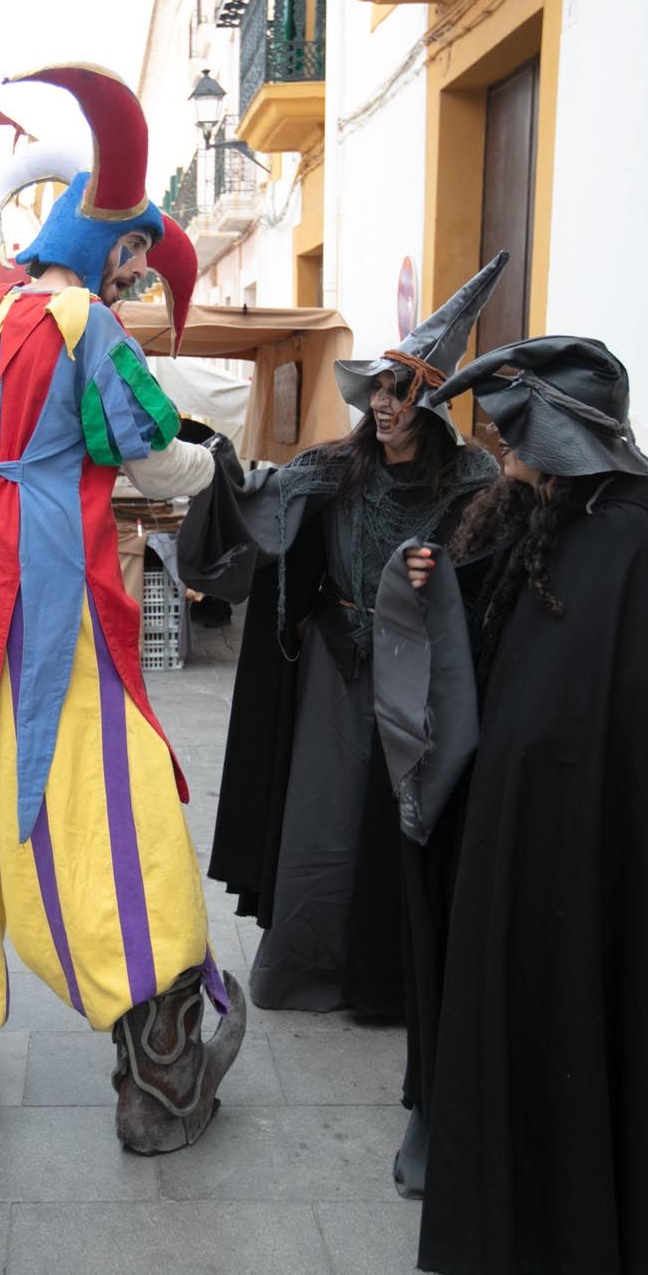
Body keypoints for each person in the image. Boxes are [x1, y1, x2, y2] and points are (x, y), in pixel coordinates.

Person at [0, 65, 245, 1153]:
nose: (138, 273)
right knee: (106, 797)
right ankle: (160, 1081)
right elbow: (150, 453)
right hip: (53, 583)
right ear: (106, 244)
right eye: (134, 252)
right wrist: (228, 470)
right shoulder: (87, 324)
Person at [410, 336, 648, 1272]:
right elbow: (505, 625)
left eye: (520, 434)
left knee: (587, 991)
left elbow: (629, 719)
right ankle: (535, 1183)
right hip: (530, 818)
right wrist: (436, 579)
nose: (506, 451)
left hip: (585, 830)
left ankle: (585, 1198)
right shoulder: (559, 513)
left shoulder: (629, 538)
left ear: (567, 439)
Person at [175, 254, 510, 1194]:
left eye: (404, 394)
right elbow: (259, 508)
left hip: (427, 677)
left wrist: (441, 567)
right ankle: (318, 965)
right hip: (338, 668)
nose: (389, 407)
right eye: (380, 392)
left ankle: (405, 984)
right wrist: (217, 465)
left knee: (412, 822)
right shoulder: (335, 468)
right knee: (327, 824)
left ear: (434, 407)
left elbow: (496, 558)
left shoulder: (476, 479)